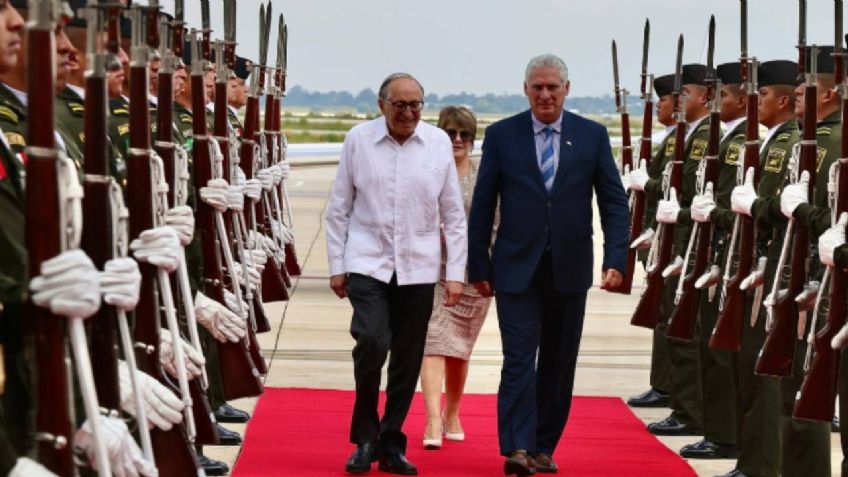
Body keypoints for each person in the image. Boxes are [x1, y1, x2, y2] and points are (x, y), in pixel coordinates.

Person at [467, 54, 629, 476]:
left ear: (566, 89)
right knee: (519, 357)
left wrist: (617, 258)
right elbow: (483, 204)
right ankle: (517, 447)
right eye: (537, 87)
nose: (544, 95)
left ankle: (542, 445)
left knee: (558, 361)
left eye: (552, 87)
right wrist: (478, 265)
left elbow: (613, 201)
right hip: (515, 267)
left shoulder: (591, 136)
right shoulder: (503, 135)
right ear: (525, 90)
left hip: (569, 268)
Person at [325, 72, 467, 476]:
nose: (408, 113)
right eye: (400, 105)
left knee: (407, 356)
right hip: (368, 261)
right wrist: (337, 266)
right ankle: (364, 438)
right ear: (381, 105)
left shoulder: (437, 143)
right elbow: (339, 208)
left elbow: (453, 215)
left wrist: (454, 272)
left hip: (419, 266)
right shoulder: (359, 140)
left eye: (416, 105)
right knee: (371, 340)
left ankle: (391, 443)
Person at [420, 106, 493, 450]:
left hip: (474, 274)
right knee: (433, 341)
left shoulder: (485, 176)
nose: (458, 140)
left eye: (465, 134)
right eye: (450, 134)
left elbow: (497, 223)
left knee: (459, 351)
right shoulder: (427, 173)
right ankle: (432, 418)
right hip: (433, 271)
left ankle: (452, 412)